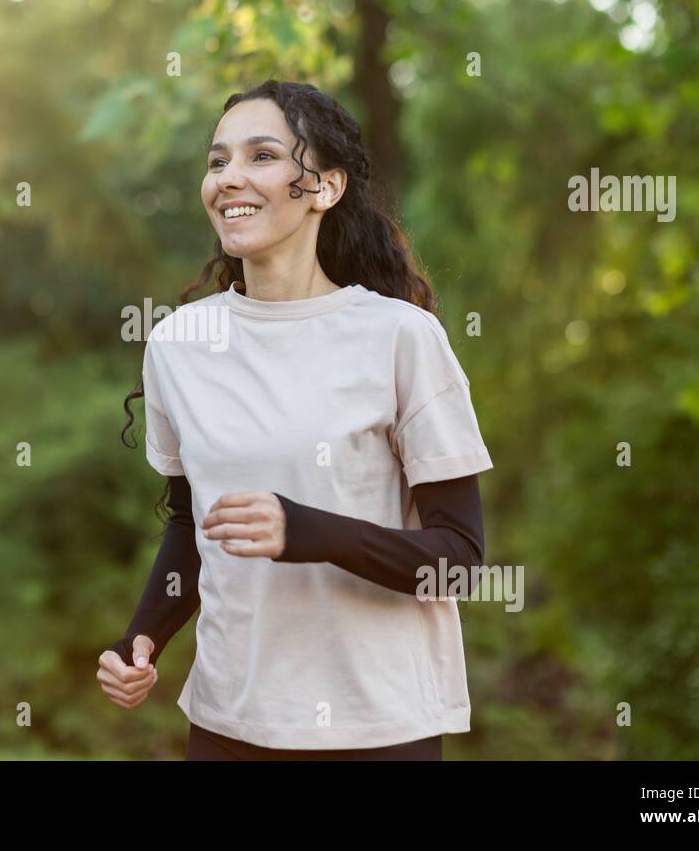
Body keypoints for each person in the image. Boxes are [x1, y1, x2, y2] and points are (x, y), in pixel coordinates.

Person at [98, 80, 494, 761]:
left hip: (378, 727)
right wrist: (142, 635)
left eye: (261, 156)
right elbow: (193, 525)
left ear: (325, 187)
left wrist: (309, 531)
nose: (229, 178)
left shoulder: (401, 338)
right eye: (218, 160)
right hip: (228, 723)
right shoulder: (179, 343)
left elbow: (458, 560)